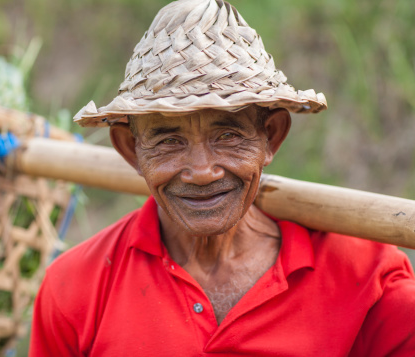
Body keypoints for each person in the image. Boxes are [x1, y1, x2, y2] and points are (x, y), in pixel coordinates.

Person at [29, 0, 415, 355]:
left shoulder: (369, 280)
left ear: (271, 136)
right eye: (168, 140)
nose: (202, 172)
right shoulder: (75, 288)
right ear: (131, 149)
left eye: (227, 136)